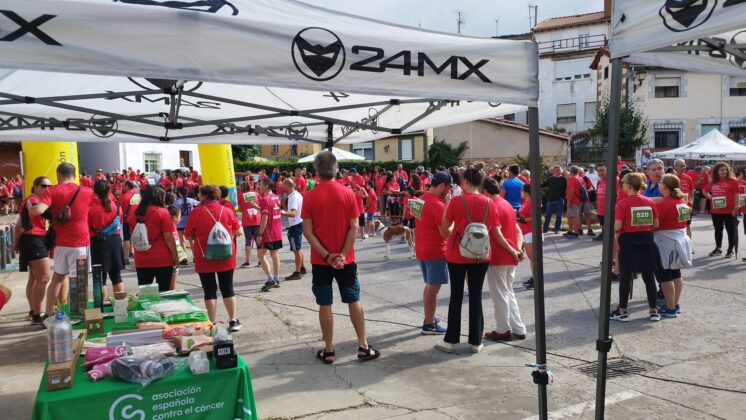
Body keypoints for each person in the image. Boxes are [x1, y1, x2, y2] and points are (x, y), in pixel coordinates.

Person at [302, 151, 380, 364]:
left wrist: (327, 256)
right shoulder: (348, 194)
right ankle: (363, 346)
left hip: (321, 260)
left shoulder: (310, 195)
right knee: (353, 300)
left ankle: (329, 350)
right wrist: (342, 255)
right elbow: (354, 227)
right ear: (336, 169)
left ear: (316, 171)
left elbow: (308, 232)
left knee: (325, 304)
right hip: (346, 260)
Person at [435, 168, 503, 354]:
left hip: (457, 253)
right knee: (476, 295)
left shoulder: (457, 201)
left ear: (464, 181)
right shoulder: (490, 202)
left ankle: (451, 340)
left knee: (456, 296)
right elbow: (496, 232)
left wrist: (448, 205)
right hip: (481, 254)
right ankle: (475, 341)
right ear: (481, 182)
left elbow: (445, 227)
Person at [27, 163, 93, 317]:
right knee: (80, 281)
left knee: (57, 279)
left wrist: (31, 207)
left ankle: (49, 314)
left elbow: (38, 211)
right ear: (74, 174)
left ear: (58, 174)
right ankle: (79, 315)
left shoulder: (52, 190)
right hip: (81, 242)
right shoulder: (87, 191)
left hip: (60, 244)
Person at [184, 184, 243, 331]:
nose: (198, 196)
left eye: (199, 194)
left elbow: (188, 235)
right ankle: (233, 320)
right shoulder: (227, 211)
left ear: (204, 196)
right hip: (226, 256)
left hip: (204, 257)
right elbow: (238, 232)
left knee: (209, 290)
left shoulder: (196, 213)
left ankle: (211, 323)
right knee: (228, 288)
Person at [610, 173, 661, 322]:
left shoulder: (623, 203)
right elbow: (656, 224)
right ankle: (653, 310)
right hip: (646, 240)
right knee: (648, 276)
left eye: (624, 183)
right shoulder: (649, 201)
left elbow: (618, 226)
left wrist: (616, 229)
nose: (622, 185)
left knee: (626, 276)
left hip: (628, 242)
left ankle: (622, 310)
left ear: (630, 185)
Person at [482, 178, 526, 340]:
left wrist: (513, 251)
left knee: (500, 293)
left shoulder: (491, 206)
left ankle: (503, 329)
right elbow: (518, 231)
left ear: (485, 191)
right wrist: (517, 249)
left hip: (499, 256)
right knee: (508, 292)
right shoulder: (506, 204)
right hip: (510, 255)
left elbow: (497, 234)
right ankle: (518, 328)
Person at [414, 172, 453, 335]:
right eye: (449, 188)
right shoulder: (438, 205)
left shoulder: (420, 199)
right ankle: (429, 324)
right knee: (433, 288)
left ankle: (428, 317)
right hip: (435, 250)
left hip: (422, 248)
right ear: (442, 186)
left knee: (430, 286)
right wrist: (453, 217)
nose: (449, 192)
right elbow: (446, 232)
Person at [12, 176, 52, 324]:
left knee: (34, 279)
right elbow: (19, 225)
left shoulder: (36, 201)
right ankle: (37, 313)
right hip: (33, 240)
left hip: (34, 240)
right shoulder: (32, 201)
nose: (47, 189)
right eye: (43, 186)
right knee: (44, 277)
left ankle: (33, 310)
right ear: (35, 186)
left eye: (49, 186)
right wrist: (15, 243)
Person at [654, 174, 692, 318]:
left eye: (661, 182)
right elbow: (686, 222)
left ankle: (669, 307)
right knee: (676, 273)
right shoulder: (682, 202)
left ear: (665, 186)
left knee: (665, 275)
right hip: (679, 240)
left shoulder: (664, 203)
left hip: (665, 243)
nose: (659, 184)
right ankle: (675, 304)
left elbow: (656, 224)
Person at [128, 186, 180, 291]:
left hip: (141, 257)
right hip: (162, 258)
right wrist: (176, 255)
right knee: (163, 291)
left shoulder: (136, 214)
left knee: (145, 292)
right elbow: (169, 237)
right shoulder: (163, 213)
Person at [88, 180, 125, 300]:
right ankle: (120, 306)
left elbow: (87, 225)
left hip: (98, 242)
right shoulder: (116, 205)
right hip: (114, 241)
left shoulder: (91, 207)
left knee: (100, 278)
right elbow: (120, 222)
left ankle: (101, 306)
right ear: (109, 190)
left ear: (95, 191)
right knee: (116, 276)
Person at [704, 162, 740, 258]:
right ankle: (718, 248)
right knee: (718, 230)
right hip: (716, 211)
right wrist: (710, 197)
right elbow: (704, 191)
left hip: (729, 210)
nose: (724, 171)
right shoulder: (713, 181)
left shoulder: (733, 181)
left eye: (725, 169)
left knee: (730, 230)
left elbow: (737, 195)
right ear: (717, 171)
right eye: (721, 170)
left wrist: (736, 207)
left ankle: (730, 250)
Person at [257, 178, 284, 291]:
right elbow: (271, 211)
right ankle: (276, 278)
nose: (259, 186)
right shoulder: (276, 197)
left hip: (268, 232)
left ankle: (270, 279)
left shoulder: (264, 199)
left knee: (260, 255)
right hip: (277, 231)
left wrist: (260, 234)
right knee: (274, 255)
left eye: (261, 184)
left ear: (267, 186)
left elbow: (264, 217)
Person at [282, 178, 306, 280]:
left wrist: (281, 212)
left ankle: (297, 272)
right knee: (298, 249)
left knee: (296, 250)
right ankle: (302, 267)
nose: (282, 187)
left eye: (283, 185)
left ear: (288, 186)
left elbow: (292, 213)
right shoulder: (298, 194)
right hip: (299, 223)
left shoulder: (293, 197)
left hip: (295, 225)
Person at [517, 184, 541, 289]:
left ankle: (537, 280)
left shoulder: (531, 201)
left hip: (532, 232)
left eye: (521, 190)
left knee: (534, 259)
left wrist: (524, 220)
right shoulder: (526, 201)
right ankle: (534, 278)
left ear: (526, 192)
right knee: (532, 259)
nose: (520, 192)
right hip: (526, 232)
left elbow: (535, 215)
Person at [237, 179, 261, 268]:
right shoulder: (256, 194)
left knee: (248, 242)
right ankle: (260, 261)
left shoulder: (241, 195)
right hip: (257, 219)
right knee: (258, 241)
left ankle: (247, 261)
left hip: (247, 221)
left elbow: (239, 209)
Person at [173, 186, 199, 264]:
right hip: (189, 222)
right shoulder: (191, 200)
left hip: (180, 223)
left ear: (179, 193)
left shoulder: (177, 202)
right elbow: (199, 204)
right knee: (192, 240)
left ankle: (184, 258)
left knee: (182, 240)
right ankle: (195, 257)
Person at [118, 181, 139, 265]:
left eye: (123, 185)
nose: (122, 187)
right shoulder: (136, 195)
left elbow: (119, 209)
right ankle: (135, 254)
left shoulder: (123, 196)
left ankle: (125, 257)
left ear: (127, 186)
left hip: (126, 220)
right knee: (135, 238)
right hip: (136, 219)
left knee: (126, 239)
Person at [672, 159, 695, 239]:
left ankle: (689, 245)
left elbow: (692, 192)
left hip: (685, 206)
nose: (683, 167)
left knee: (687, 225)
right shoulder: (671, 178)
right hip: (673, 206)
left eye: (684, 165)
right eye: (681, 166)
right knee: (675, 226)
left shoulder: (688, 178)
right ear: (675, 167)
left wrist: (691, 202)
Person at [542, 165, 566, 234]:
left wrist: (563, 197)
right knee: (548, 214)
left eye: (559, 170)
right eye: (557, 170)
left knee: (559, 215)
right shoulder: (550, 179)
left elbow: (566, 189)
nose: (558, 171)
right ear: (554, 171)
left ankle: (557, 228)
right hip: (551, 200)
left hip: (560, 200)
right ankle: (545, 228)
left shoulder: (563, 179)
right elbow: (543, 185)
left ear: (561, 171)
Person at [564, 166, 584, 239]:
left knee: (574, 217)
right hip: (577, 200)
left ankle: (576, 233)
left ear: (571, 171)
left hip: (573, 201)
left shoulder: (573, 179)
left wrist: (569, 202)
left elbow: (571, 191)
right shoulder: (579, 178)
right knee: (572, 216)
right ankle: (571, 231)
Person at [593, 164, 608, 242]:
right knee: (602, 223)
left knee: (607, 224)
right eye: (599, 170)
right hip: (600, 208)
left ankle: (606, 236)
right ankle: (603, 234)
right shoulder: (599, 181)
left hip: (608, 208)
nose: (601, 172)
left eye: (603, 170)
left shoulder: (613, 180)